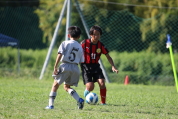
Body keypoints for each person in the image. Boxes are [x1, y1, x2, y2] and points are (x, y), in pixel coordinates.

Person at [45, 26, 85, 110]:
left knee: (55, 85)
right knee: (67, 87)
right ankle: (79, 99)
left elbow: (59, 54)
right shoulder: (80, 47)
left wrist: (55, 66)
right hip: (75, 67)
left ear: (68, 35)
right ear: (79, 37)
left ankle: (51, 105)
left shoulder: (65, 43)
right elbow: (82, 60)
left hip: (65, 65)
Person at [80, 25, 118, 105]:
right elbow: (77, 51)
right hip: (86, 66)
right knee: (91, 87)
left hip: (96, 66)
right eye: (95, 34)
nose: (97, 36)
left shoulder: (101, 45)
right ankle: (87, 94)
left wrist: (113, 66)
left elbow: (108, 56)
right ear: (91, 34)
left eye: (98, 34)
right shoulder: (84, 43)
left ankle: (103, 103)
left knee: (102, 83)